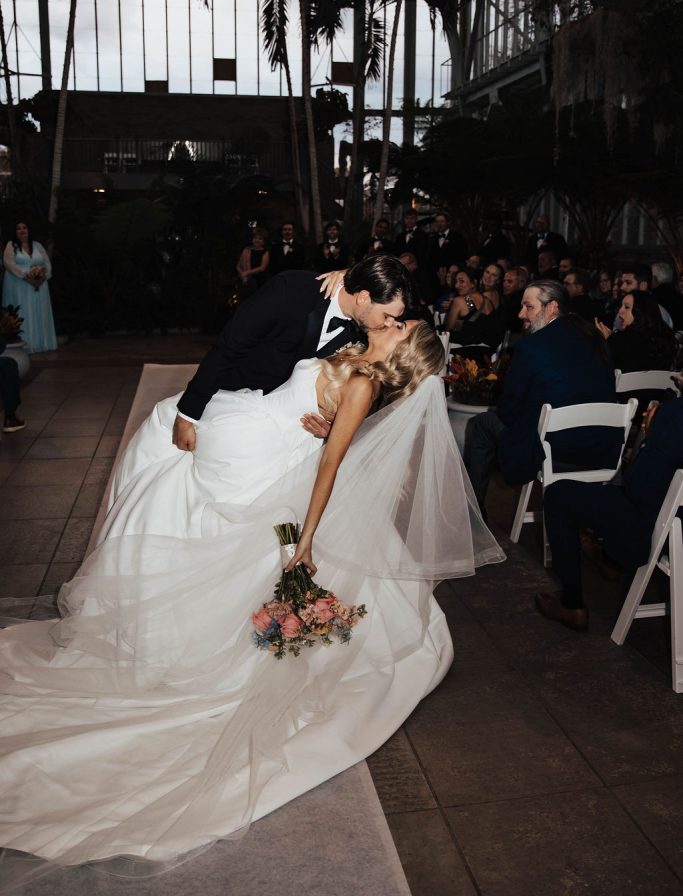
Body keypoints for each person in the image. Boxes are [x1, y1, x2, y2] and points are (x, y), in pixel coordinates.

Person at [0, 320, 504, 879]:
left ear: (405, 349)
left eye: (403, 325)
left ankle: (218, 646)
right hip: (274, 454)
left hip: (285, 477)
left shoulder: (364, 384)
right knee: (222, 549)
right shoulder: (356, 356)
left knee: (253, 552)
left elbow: (332, 463)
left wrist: (306, 540)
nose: (394, 320)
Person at [173, 254, 413, 453]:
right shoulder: (291, 289)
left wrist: (334, 431)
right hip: (228, 400)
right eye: (387, 316)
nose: (388, 324)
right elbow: (229, 347)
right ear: (363, 297)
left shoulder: (366, 335)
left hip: (284, 432)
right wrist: (188, 415)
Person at [464, 279, 621, 514]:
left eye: (529, 307)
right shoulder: (594, 337)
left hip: (555, 449)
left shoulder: (532, 346)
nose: (520, 314)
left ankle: (473, 513)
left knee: (480, 424)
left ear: (552, 308)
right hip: (601, 447)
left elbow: (508, 410)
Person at [536, 397, 683, 631]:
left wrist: (649, 436)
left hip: (658, 533)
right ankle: (609, 560)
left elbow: (638, 488)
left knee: (558, 496)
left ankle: (572, 605)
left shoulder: (675, 413)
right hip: (669, 520)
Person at [1, 221, 57, 354]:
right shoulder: (11, 245)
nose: (22, 230)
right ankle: (27, 344)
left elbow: (47, 263)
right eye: (18, 228)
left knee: (40, 311)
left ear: (29, 230)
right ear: (15, 232)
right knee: (24, 311)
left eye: (24, 227)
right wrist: (27, 276)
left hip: (40, 285)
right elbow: (9, 264)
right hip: (19, 284)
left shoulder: (38, 245)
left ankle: (43, 343)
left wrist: (43, 276)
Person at [595, 291, 676, 373]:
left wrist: (607, 341)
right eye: (621, 306)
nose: (620, 311)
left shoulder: (621, 341)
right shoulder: (666, 340)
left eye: (626, 307)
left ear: (641, 312)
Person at [444, 268, 493, 333]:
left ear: (473, 283)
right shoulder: (487, 301)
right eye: (456, 282)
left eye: (461, 281)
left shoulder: (460, 301)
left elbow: (447, 331)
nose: (456, 285)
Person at [236, 227, 270, 298]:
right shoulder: (246, 250)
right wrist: (242, 275)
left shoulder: (265, 252)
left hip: (260, 282)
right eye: (255, 238)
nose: (257, 240)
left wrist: (246, 273)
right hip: (245, 281)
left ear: (263, 241)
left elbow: (262, 268)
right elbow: (238, 265)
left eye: (260, 239)